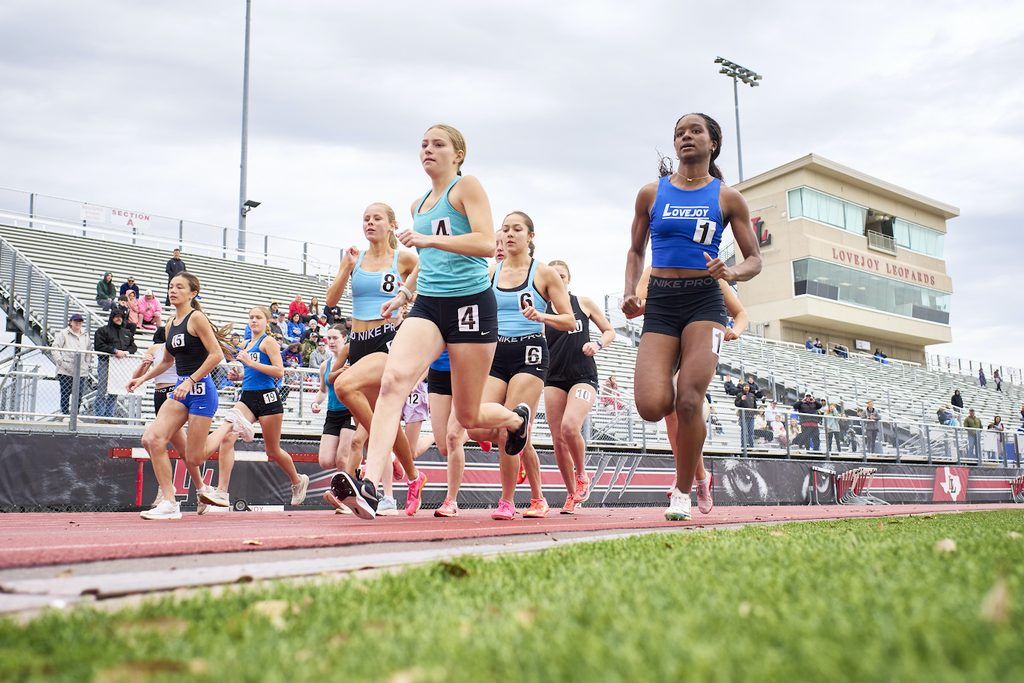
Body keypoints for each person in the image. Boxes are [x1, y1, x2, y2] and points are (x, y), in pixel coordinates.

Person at [329, 124, 534, 520]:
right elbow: (429, 264)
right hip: (429, 307)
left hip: (470, 305)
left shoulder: (466, 186)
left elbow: (483, 243)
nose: (428, 149)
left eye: (438, 144)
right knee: (392, 383)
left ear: (457, 154)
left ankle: (515, 418)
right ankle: (371, 485)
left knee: (470, 417)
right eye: (423, 144)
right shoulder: (417, 206)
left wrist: (429, 240)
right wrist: (405, 293)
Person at [621, 112, 761, 521]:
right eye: (680, 132)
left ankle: (684, 490)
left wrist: (731, 272)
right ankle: (693, 463)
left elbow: (754, 259)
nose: (686, 137)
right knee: (651, 405)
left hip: (705, 302)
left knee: (688, 399)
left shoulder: (727, 197)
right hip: (662, 302)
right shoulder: (651, 193)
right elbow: (635, 250)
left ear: (712, 142)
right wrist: (630, 291)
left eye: (695, 131)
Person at [465, 211, 575, 520]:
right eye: (505, 229)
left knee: (504, 433)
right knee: (475, 425)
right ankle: (518, 428)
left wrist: (542, 317)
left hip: (530, 353)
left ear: (530, 237)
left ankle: (508, 502)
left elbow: (569, 321)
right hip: (497, 353)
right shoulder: (490, 273)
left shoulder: (543, 274)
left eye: (517, 229)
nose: (510, 234)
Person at [324, 202, 426, 517]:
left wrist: (406, 298)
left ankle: (386, 461)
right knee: (386, 420)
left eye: (376, 218)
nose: (370, 222)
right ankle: (413, 476)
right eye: (365, 218)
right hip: (358, 344)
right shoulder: (357, 259)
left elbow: (426, 273)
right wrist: (345, 266)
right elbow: (330, 301)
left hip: (388, 342)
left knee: (343, 385)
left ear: (391, 225)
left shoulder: (403, 258)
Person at [126, 272, 230, 520]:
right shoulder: (171, 323)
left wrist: (192, 379)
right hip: (180, 390)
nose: (173, 290)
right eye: (171, 286)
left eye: (179, 287)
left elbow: (216, 355)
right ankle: (170, 503)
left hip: (201, 390)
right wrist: (143, 378)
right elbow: (167, 362)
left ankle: (230, 423)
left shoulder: (197, 319)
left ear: (193, 293)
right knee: (152, 439)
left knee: (195, 456)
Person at [199, 305, 310, 511]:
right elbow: (253, 371)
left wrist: (250, 362)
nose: (253, 320)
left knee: (273, 450)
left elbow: (279, 372)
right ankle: (222, 492)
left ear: (267, 322)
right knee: (227, 437)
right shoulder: (246, 343)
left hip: (268, 398)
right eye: (250, 317)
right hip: (248, 397)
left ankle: (297, 480)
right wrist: (238, 376)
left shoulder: (268, 341)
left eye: (258, 317)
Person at [543, 259, 616, 515]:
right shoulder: (542, 310)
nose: (558, 280)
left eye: (562, 276)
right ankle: (571, 493)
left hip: (583, 376)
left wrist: (597, 344)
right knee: (557, 440)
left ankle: (582, 475)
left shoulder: (582, 303)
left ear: (569, 279)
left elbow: (610, 330)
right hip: (553, 378)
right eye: (553, 276)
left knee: (569, 426)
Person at [131, 327, 192, 509]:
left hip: (175, 395)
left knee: (154, 441)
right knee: (177, 447)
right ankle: (197, 488)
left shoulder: (182, 345)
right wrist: (144, 364)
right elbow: (136, 378)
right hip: (159, 395)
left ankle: (169, 489)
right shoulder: (154, 348)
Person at [311, 324, 362, 515]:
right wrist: (315, 403)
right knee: (325, 460)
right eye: (328, 338)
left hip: (350, 410)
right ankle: (356, 469)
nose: (331, 342)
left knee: (342, 457)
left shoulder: (353, 362)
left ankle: (345, 499)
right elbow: (323, 391)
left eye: (335, 338)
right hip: (332, 413)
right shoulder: (325, 365)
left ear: (345, 339)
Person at [93, 309, 137, 419]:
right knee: (102, 389)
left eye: (121, 317)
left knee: (114, 390)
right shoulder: (102, 330)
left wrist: (128, 352)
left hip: (119, 365)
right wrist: (115, 351)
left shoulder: (126, 332)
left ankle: (109, 416)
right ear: (112, 317)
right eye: (117, 316)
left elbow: (133, 346)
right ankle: (99, 417)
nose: (119, 318)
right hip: (106, 362)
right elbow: (99, 346)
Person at [51, 314, 94, 415]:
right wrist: (60, 362)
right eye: (76, 321)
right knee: (66, 393)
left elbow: (89, 350)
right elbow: (55, 347)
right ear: (71, 322)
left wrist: (87, 364)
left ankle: (75, 414)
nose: (78, 323)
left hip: (81, 369)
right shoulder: (64, 333)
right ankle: (65, 414)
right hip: (66, 368)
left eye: (80, 321)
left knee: (78, 395)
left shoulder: (85, 334)